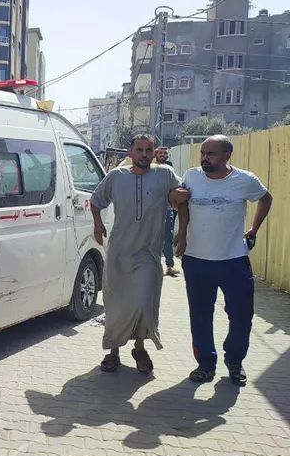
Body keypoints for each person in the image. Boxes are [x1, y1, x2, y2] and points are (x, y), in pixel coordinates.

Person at [174, 135, 272, 386]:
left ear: (227, 155)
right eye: (203, 153)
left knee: (241, 315)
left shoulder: (245, 180)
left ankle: (235, 361)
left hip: (233, 261)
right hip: (197, 261)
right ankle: (206, 364)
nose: (205, 158)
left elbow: (265, 198)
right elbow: (180, 203)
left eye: (211, 154)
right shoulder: (192, 176)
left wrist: (253, 230)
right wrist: (181, 233)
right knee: (200, 315)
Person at [90, 134, 189, 374]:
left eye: (149, 150)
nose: (144, 154)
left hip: (148, 253)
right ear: (130, 153)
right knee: (116, 305)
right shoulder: (116, 177)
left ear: (154, 152)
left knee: (145, 301)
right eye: (140, 150)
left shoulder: (165, 174)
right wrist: (98, 224)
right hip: (119, 253)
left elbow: (182, 197)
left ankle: (139, 347)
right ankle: (113, 352)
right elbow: (96, 200)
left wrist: (183, 231)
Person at [154, 147, 180, 277]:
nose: (163, 155)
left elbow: (177, 185)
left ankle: (170, 266)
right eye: (160, 153)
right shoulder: (150, 168)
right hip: (152, 209)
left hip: (167, 208)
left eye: (165, 153)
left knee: (168, 237)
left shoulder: (170, 169)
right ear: (155, 154)